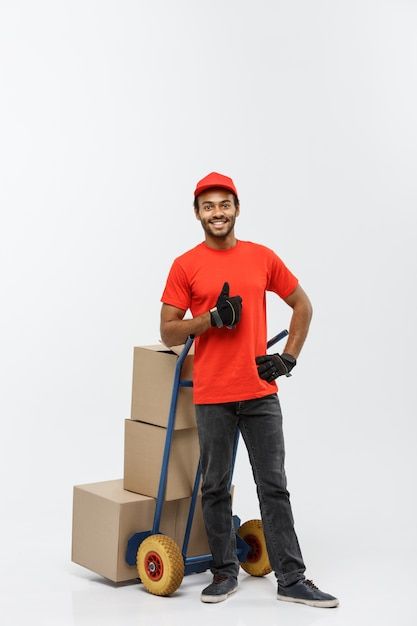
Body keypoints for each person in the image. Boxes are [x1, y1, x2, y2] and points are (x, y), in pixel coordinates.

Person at [160, 171, 339, 608]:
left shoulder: (262, 257)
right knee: (215, 485)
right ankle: (224, 573)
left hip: (260, 392)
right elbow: (167, 331)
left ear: (236, 208)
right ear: (197, 213)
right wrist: (210, 320)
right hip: (213, 394)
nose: (217, 213)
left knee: (273, 484)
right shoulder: (186, 264)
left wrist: (289, 358)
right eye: (208, 206)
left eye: (224, 204)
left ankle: (292, 579)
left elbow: (303, 305)